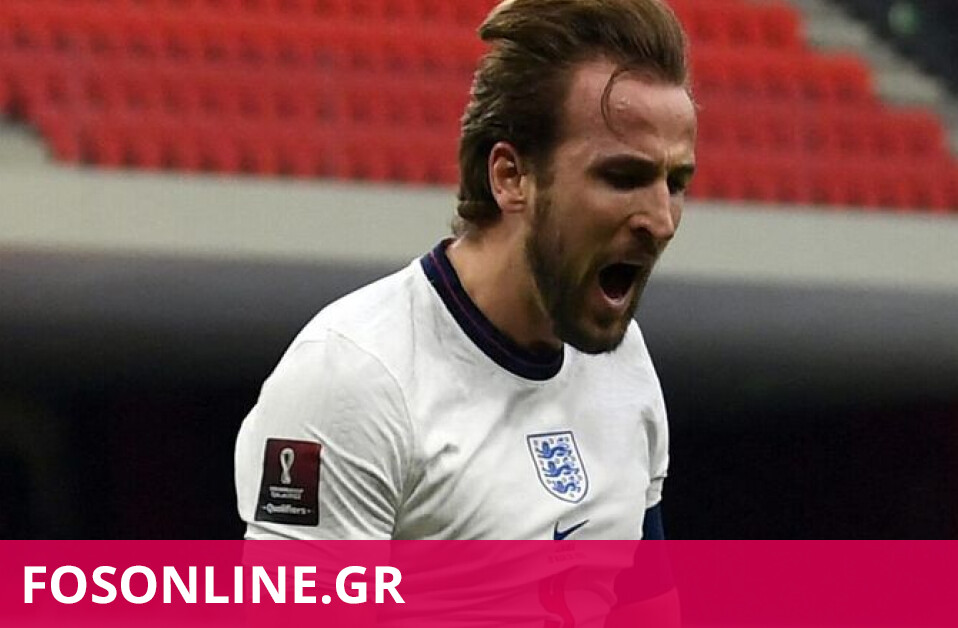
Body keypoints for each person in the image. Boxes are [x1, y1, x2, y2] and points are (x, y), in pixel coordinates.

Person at [235, 0, 694, 546]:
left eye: (676, 183)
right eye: (623, 177)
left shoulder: (625, 364)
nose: (662, 221)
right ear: (511, 176)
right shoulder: (351, 379)